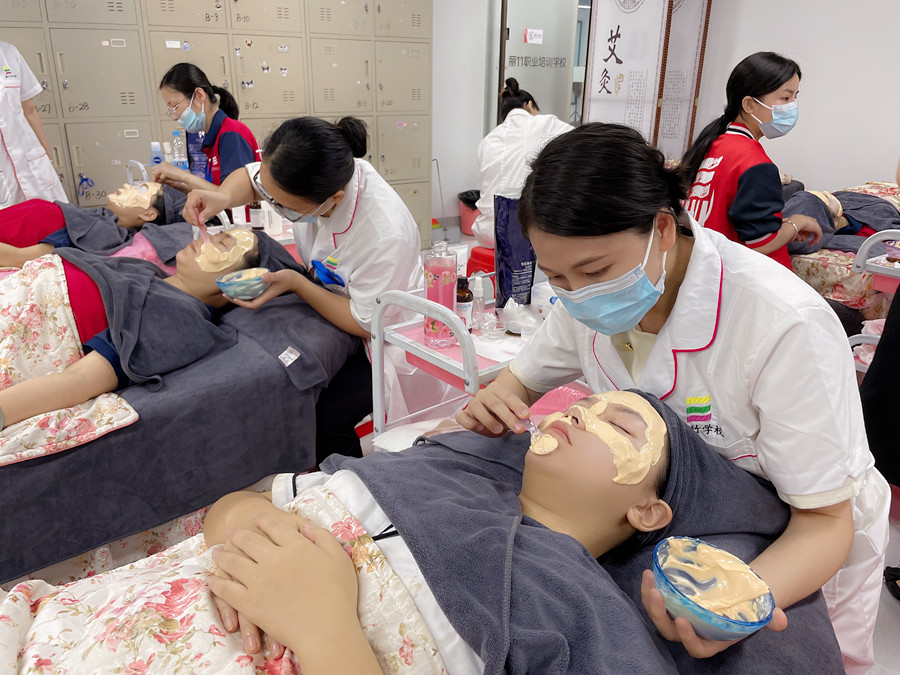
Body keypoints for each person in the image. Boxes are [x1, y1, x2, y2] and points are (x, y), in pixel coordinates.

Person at [455, 122, 890, 673]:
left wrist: (733, 602)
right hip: (671, 528)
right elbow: (521, 380)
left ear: (663, 228)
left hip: (796, 537)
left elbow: (824, 521)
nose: (577, 295)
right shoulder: (586, 300)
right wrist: (497, 400)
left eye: (593, 271)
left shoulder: (784, 324)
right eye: (557, 278)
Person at [0, 391, 845, 673]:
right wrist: (247, 523)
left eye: (617, 424)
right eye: (582, 402)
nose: (576, 415)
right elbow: (238, 502)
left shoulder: (585, 616)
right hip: (68, 621)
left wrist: (325, 627)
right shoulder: (443, 467)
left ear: (650, 512)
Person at [183, 116, 422, 462]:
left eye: (286, 207)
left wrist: (297, 284)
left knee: (327, 416)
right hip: (329, 308)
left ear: (333, 198)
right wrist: (220, 196)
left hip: (385, 335)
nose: (274, 206)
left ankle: (350, 483)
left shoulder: (384, 234)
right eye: (270, 198)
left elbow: (365, 321)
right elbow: (251, 180)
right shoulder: (301, 173)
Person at [0, 228, 299, 431]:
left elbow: (81, 380)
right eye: (215, 233)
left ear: (241, 284)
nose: (204, 237)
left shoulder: (179, 317)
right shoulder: (150, 275)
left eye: (221, 245)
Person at [682, 52, 821, 269]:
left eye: (795, 97)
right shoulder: (755, 163)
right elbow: (759, 244)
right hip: (737, 275)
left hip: (703, 266)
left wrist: (782, 227)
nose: (792, 106)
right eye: (785, 98)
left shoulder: (714, 144)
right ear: (749, 104)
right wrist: (797, 223)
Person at [0, 182, 193, 273]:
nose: (127, 185)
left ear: (148, 215)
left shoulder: (102, 232)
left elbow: (20, 257)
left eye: (141, 189)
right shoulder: (100, 218)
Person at [472, 77, 572, 248]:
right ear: (529, 105)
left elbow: (483, 187)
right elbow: (580, 140)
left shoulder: (488, 140)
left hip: (487, 233)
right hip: (522, 232)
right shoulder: (543, 124)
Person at [153, 63, 260, 193]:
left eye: (175, 106)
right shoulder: (214, 137)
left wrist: (182, 175)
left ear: (199, 95)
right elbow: (216, 191)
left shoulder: (231, 134)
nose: (175, 117)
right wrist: (178, 183)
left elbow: (234, 197)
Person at [0, 40, 67, 209]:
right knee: (11, 222)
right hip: (4, 173)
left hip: (31, 159)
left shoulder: (9, 52)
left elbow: (30, 111)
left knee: (52, 216)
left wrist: (48, 159)